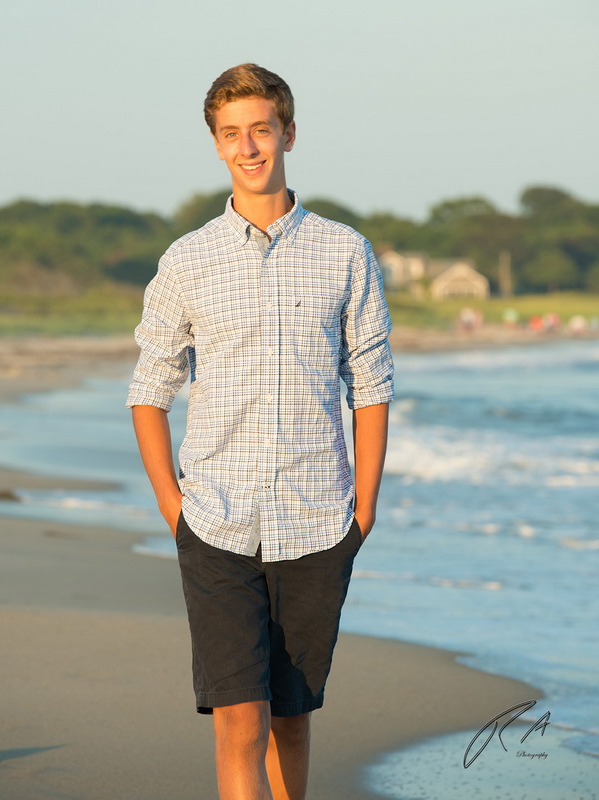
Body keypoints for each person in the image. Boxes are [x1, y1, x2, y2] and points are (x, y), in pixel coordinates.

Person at [127, 63, 394, 800]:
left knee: (291, 717)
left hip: (317, 519)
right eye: (232, 135)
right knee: (239, 720)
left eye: (261, 130)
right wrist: (170, 504)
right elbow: (149, 389)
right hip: (215, 521)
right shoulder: (188, 260)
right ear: (216, 145)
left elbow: (370, 385)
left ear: (288, 133)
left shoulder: (345, 251)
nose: (249, 148)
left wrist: (362, 510)